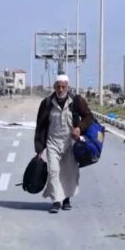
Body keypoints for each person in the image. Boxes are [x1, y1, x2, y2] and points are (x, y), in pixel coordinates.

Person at [34, 74, 93, 213]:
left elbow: (89, 116)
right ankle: (56, 201)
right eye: (58, 86)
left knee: (69, 173)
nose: (60, 89)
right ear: (54, 87)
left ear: (67, 87)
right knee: (53, 171)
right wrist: (39, 148)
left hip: (70, 143)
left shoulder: (77, 101)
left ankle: (66, 199)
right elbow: (40, 126)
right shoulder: (47, 103)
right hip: (53, 142)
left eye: (63, 87)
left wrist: (79, 128)